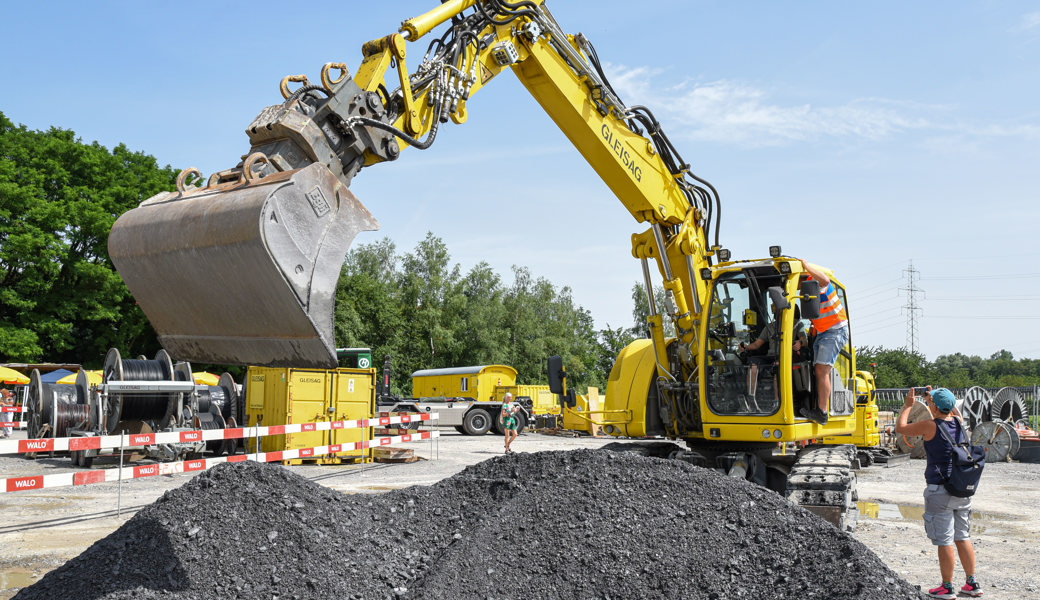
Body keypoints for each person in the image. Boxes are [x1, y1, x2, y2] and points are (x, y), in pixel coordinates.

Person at [894, 387, 983, 599]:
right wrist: (936, 398)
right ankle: (972, 583)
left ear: (933, 406)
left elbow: (901, 427)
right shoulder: (959, 423)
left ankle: (946, 587)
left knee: (945, 540)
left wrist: (908, 405)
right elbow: (951, 409)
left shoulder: (930, 425)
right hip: (962, 490)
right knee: (962, 537)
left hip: (939, 490)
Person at [798, 258, 849, 425]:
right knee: (817, 369)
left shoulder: (816, 283)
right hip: (824, 332)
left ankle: (822, 412)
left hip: (835, 331)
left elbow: (826, 279)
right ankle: (818, 408)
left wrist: (805, 265)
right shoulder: (807, 292)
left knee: (822, 370)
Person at [738, 304, 807, 410]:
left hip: (787, 356)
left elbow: (804, 341)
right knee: (753, 363)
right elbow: (757, 344)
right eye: (777, 311)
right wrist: (745, 347)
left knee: (778, 365)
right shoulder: (770, 327)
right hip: (771, 356)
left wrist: (800, 342)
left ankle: (777, 401)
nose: (778, 313)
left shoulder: (798, 324)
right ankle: (751, 399)